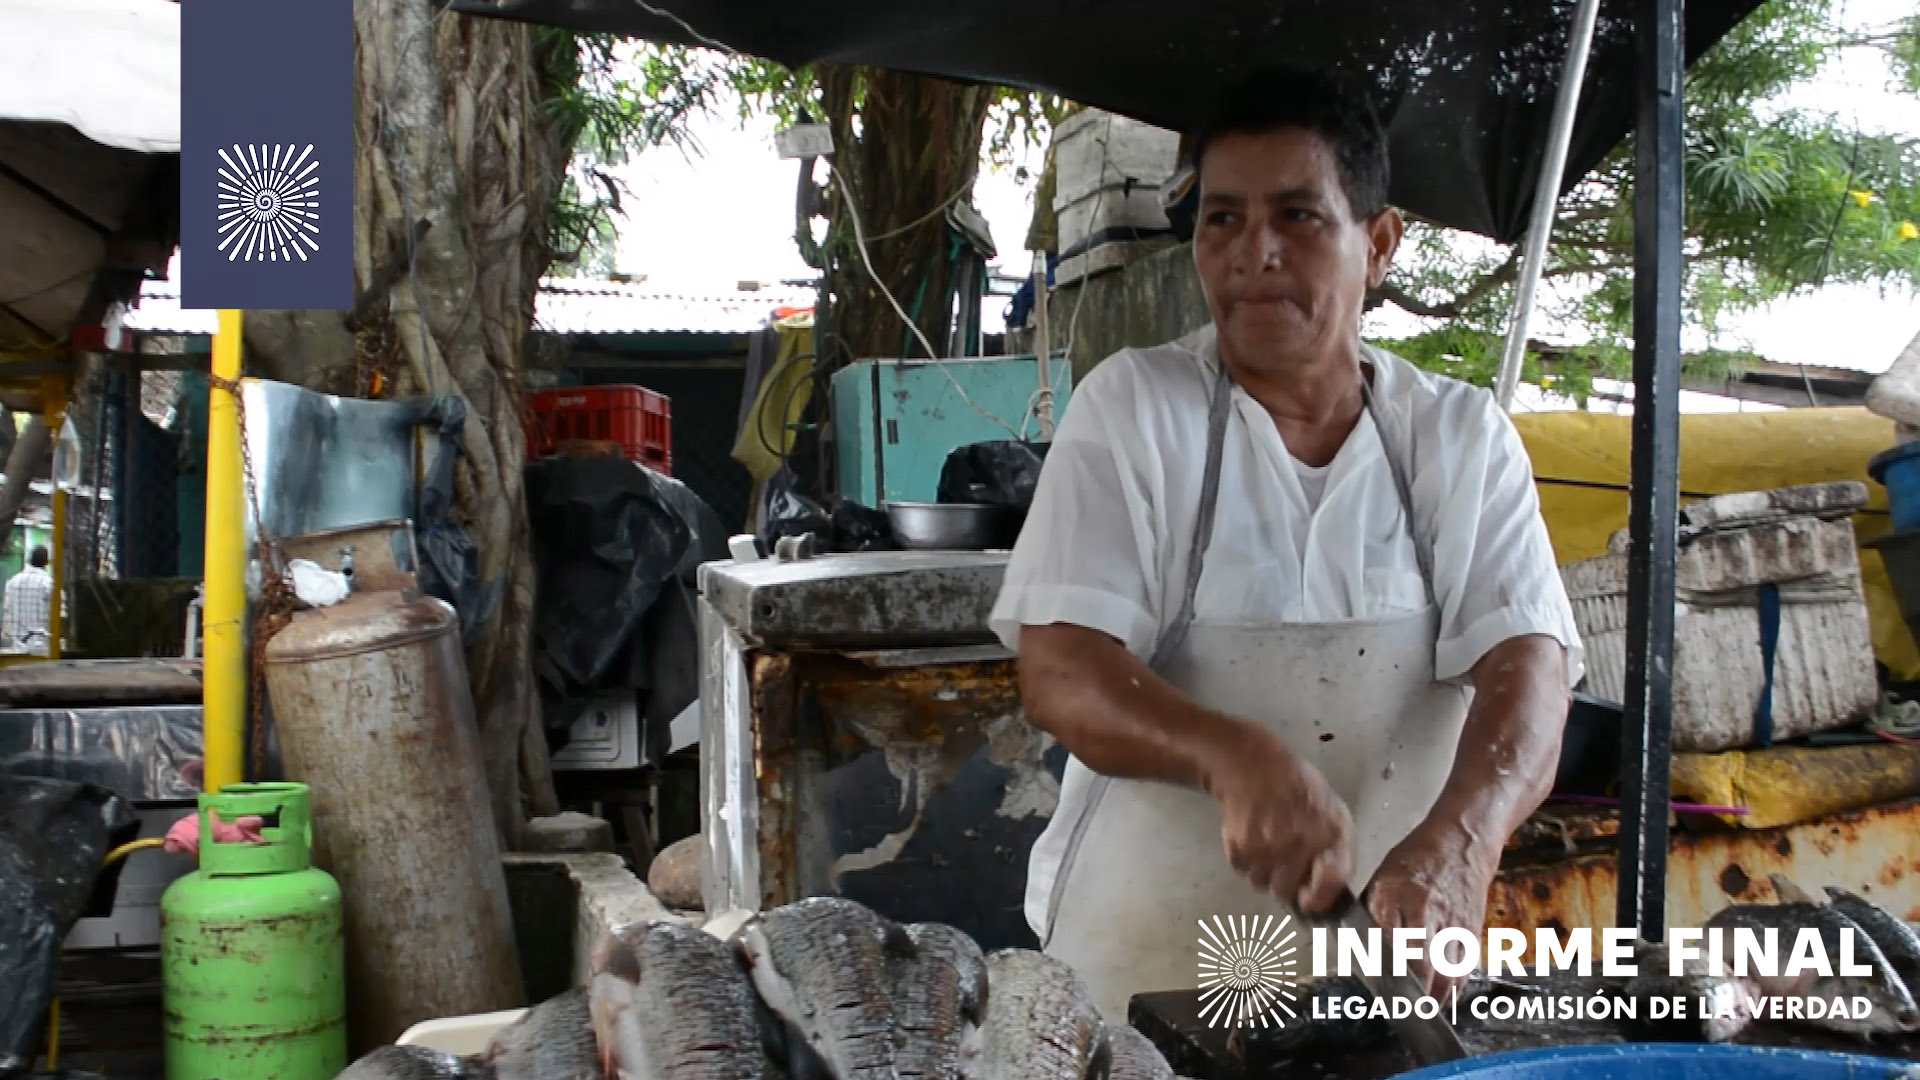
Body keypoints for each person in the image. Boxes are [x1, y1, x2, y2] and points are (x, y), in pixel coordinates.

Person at [990, 66, 1584, 1020]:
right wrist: (1232, 755)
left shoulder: (1459, 438)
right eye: (1221, 219)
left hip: (1376, 977)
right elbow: (1060, 668)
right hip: (1140, 970)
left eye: (1298, 217)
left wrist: (1465, 839)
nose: (1251, 253)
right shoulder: (1137, 410)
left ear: (1379, 243)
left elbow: (1532, 667)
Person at [3, 545, 53, 654]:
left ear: (29, 560)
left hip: (18, 646)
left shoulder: (13, 581)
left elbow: (7, 610)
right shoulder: (48, 583)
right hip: (42, 647)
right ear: (46, 562)